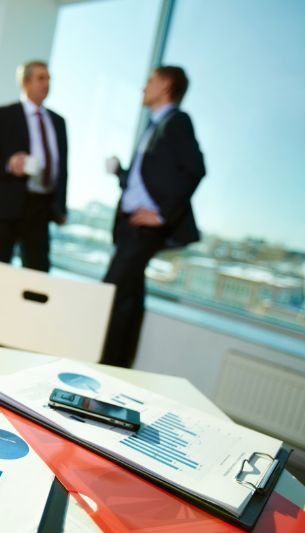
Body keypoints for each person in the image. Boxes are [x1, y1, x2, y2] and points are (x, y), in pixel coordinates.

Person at [101, 65, 206, 367]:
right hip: (130, 224)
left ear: (166, 85)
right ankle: (118, 365)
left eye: (150, 81)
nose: (143, 87)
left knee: (110, 291)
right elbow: (146, 182)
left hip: (144, 229)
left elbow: (195, 170)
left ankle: (102, 362)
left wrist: (162, 216)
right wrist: (120, 172)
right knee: (129, 299)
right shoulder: (155, 126)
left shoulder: (176, 122)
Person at [0, 60, 68, 272]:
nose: (47, 84)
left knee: (38, 272)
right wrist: (8, 164)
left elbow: (63, 168)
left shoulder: (58, 121)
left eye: (49, 79)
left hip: (41, 208)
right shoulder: (4, 114)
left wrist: (60, 205)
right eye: (41, 78)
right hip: (9, 203)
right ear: (25, 82)